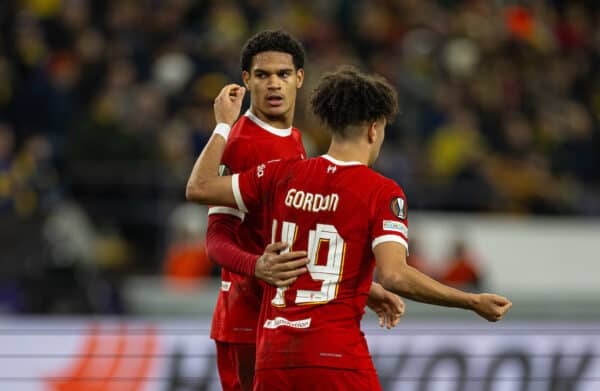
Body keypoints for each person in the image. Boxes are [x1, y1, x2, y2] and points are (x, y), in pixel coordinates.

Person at [187, 67, 512, 390]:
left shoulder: (281, 175)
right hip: (334, 354)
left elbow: (199, 186)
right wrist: (470, 301)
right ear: (374, 129)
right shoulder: (381, 192)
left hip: (273, 354)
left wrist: (223, 126)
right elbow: (395, 275)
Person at [203, 31, 404, 391]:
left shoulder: (296, 141)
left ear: (299, 78)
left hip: (282, 317)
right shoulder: (242, 143)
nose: (273, 84)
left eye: (282, 74)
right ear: (246, 81)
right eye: (262, 76)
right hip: (246, 319)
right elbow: (216, 237)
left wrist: (364, 289)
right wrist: (256, 266)